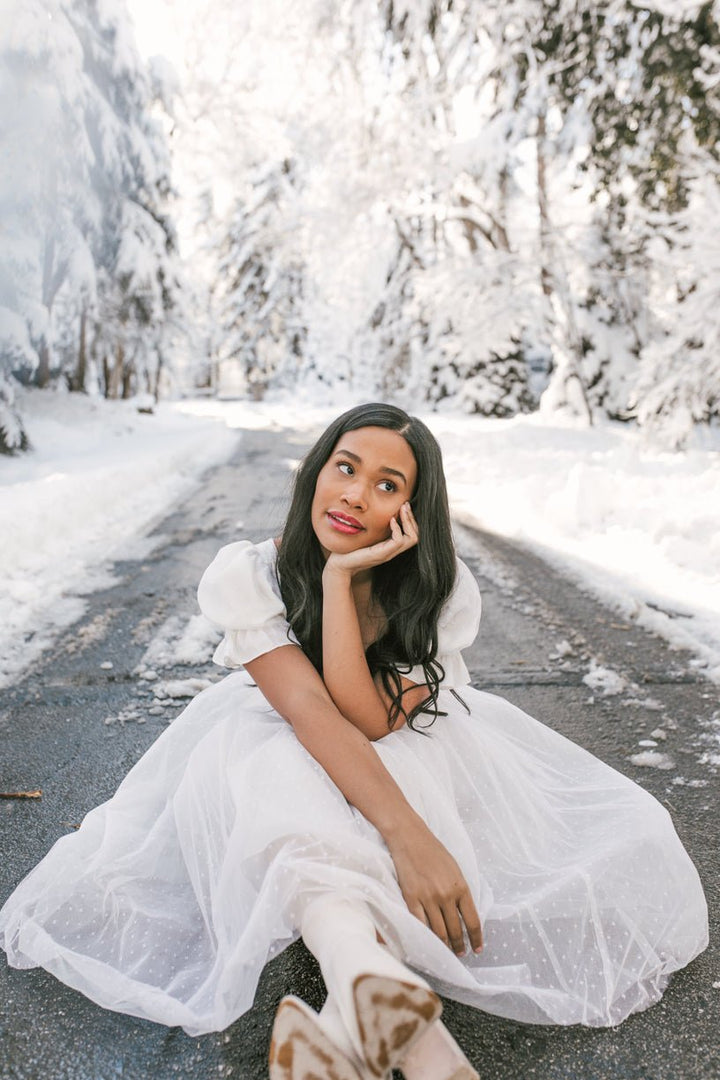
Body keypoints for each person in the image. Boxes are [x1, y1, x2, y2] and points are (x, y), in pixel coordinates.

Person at [0, 403, 708, 1080]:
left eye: (386, 485)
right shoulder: (252, 574)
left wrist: (347, 585)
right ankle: (401, 1022)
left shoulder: (440, 590)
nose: (355, 495)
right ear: (314, 469)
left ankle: (363, 999)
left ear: (411, 510)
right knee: (278, 765)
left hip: (409, 743)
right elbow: (310, 713)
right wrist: (405, 833)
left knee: (417, 791)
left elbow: (371, 723)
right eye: (344, 467)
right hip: (278, 735)